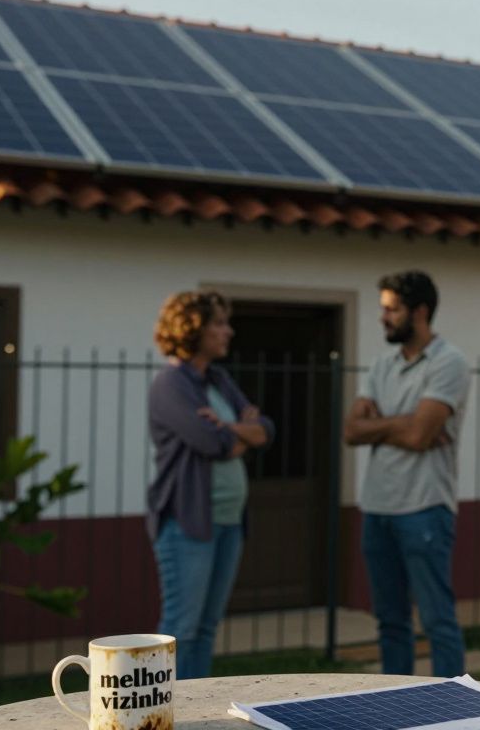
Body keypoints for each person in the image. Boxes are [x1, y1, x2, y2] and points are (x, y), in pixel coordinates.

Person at [344, 270, 471, 677]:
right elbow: (351, 430)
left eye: (391, 309)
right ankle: (395, 703)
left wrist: (382, 426)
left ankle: (456, 706)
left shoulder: (449, 362)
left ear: (419, 311)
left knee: (437, 620)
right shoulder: (382, 365)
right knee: (390, 622)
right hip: (377, 508)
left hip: (425, 508)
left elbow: (419, 435)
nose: (383, 317)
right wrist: (406, 425)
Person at [147, 291, 275, 679]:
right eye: (219, 323)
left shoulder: (218, 379)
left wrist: (230, 427)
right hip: (188, 524)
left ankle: (196, 710)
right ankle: (162, 711)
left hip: (229, 522)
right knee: (181, 630)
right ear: (193, 329)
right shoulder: (170, 384)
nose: (228, 331)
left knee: (205, 629)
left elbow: (266, 429)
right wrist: (238, 433)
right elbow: (210, 442)